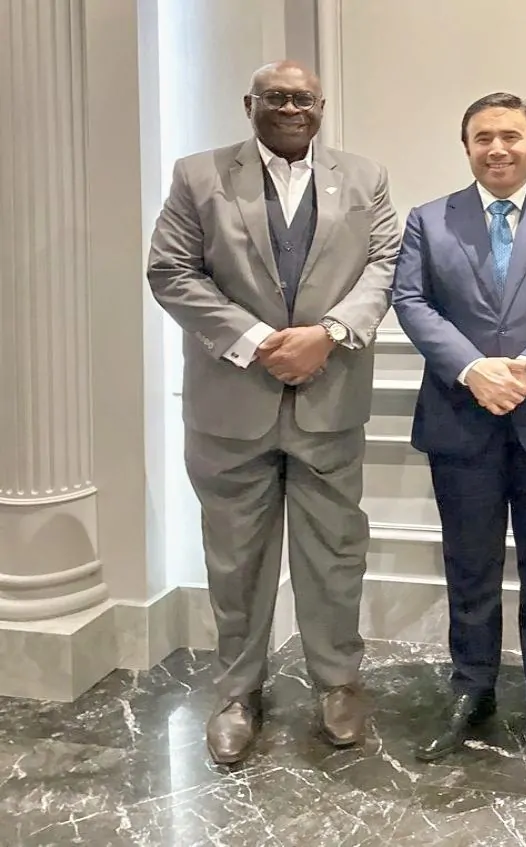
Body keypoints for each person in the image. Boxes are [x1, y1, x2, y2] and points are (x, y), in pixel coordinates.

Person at [146, 60, 400, 765]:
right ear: (249, 103)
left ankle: (338, 683)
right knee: (235, 560)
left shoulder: (366, 177)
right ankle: (237, 693)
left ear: (322, 105)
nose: (292, 108)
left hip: (330, 397)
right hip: (231, 405)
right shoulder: (197, 175)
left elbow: (385, 264)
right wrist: (258, 340)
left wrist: (330, 334)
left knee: (335, 554)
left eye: (304, 98)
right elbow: (170, 270)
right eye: (277, 97)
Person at [392, 92, 526, 763]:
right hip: (461, 419)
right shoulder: (429, 220)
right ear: (466, 147)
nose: (497, 148)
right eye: (483, 137)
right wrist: (473, 369)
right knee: (469, 567)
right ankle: (471, 689)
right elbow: (410, 300)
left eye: (511, 136)